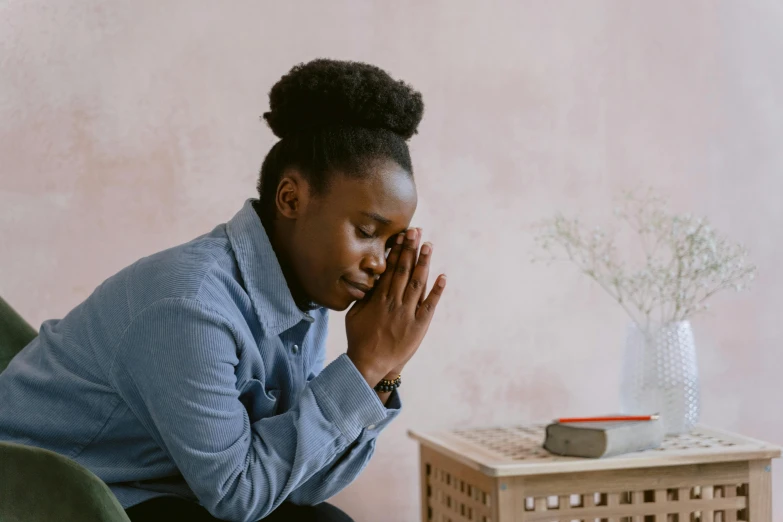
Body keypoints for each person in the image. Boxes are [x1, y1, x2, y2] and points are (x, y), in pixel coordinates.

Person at [0, 58, 446, 521]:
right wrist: (363, 365)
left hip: (169, 485)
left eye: (392, 242)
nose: (378, 261)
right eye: (366, 229)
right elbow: (238, 495)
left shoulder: (305, 299)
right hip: (55, 490)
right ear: (291, 199)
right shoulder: (190, 306)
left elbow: (300, 484)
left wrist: (381, 373)